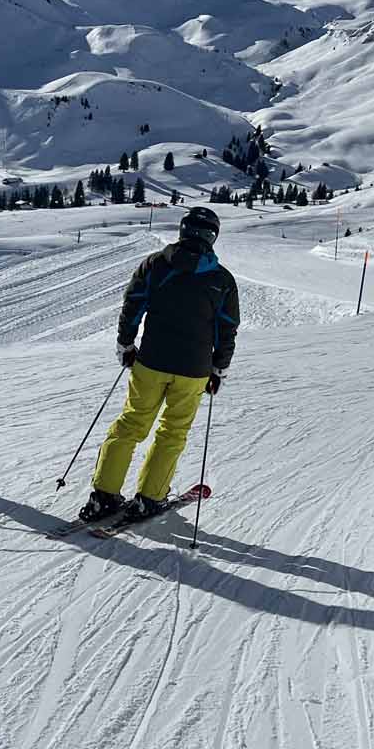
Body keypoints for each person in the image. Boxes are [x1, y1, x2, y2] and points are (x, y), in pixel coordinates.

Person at [80, 205, 239, 522]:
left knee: (131, 424)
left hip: (151, 362)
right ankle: (149, 497)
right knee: (172, 432)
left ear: (183, 231)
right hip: (193, 370)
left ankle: (104, 495)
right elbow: (227, 328)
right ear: (212, 237)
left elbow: (133, 305)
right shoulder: (221, 280)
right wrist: (219, 368)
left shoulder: (156, 265)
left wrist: (125, 343)